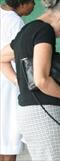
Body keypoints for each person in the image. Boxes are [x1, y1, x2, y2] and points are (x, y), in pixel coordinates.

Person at [0, 0, 60, 160]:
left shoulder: (27, 29)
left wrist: (20, 82)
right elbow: (41, 80)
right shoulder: (45, 31)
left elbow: (2, 58)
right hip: (42, 112)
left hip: (27, 111)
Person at [0, 0, 35, 161]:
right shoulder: (15, 22)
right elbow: (21, 56)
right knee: (9, 133)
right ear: (22, 3)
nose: (34, 5)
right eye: (32, 2)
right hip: (9, 81)